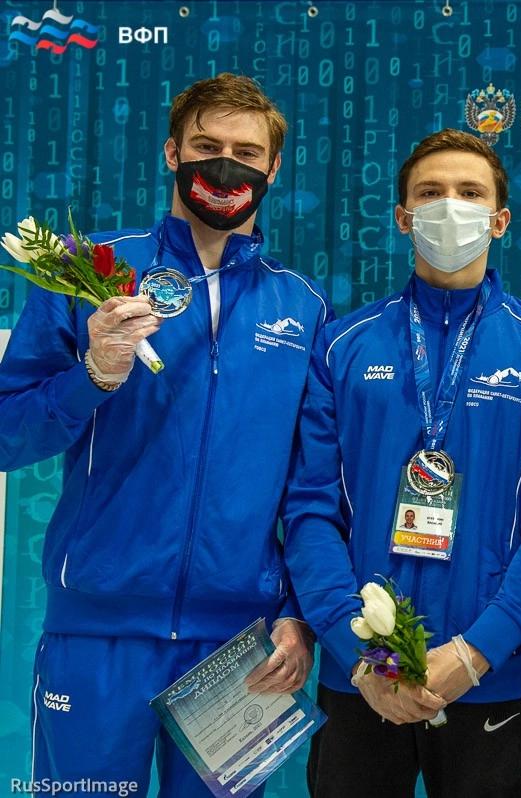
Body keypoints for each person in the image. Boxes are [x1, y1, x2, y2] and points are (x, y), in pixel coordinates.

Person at [0, 73, 327, 795]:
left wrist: (298, 615)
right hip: (99, 632)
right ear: (172, 152)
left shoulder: (303, 306)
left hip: (238, 647)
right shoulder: (91, 274)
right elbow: (7, 434)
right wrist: (92, 374)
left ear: (274, 168)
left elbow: (314, 486)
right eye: (206, 146)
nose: (226, 165)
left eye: (247, 152)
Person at [283, 128, 521, 798]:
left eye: (470, 193)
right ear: (402, 216)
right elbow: (310, 512)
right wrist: (359, 653)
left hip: (488, 678)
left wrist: (478, 651)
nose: (450, 207)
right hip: (361, 679)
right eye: (431, 193)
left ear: (500, 220)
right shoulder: (340, 348)